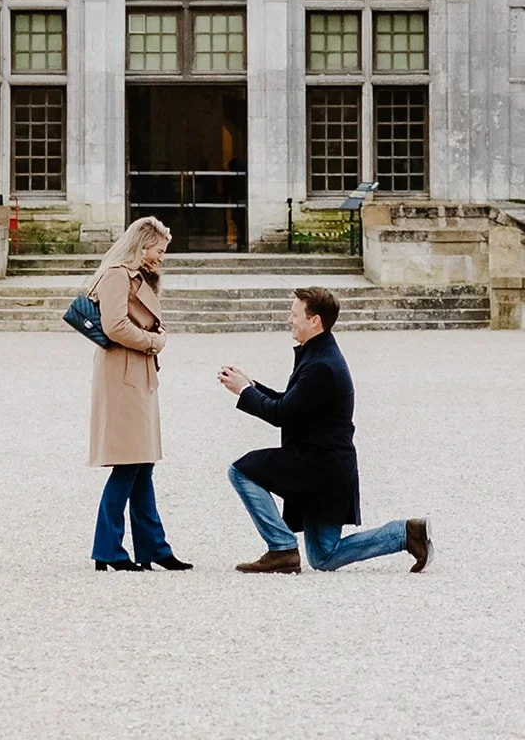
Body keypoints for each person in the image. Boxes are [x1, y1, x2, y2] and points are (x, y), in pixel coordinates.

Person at [218, 286, 432, 574]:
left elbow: (281, 414)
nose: (289, 319)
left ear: (314, 320)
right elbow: (291, 403)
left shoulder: (322, 365)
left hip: (318, 468)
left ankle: (281, 548)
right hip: (325, 468)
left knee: (240, 470)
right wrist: (251, 386)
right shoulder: (319, 354)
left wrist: (244, 391)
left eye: (295, 314)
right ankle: (406, 533)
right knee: (324, 556)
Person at [87, 215, 193, 573]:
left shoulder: (136, 275)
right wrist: (152, 341)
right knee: (129, 463)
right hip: (123, 374)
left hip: (135, 372)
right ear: (142, 246)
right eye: (158, 250)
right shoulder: (117, 275)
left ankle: (153, 547)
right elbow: (114, 325)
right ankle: (108, 549)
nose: (161, 257)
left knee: (142, 463)